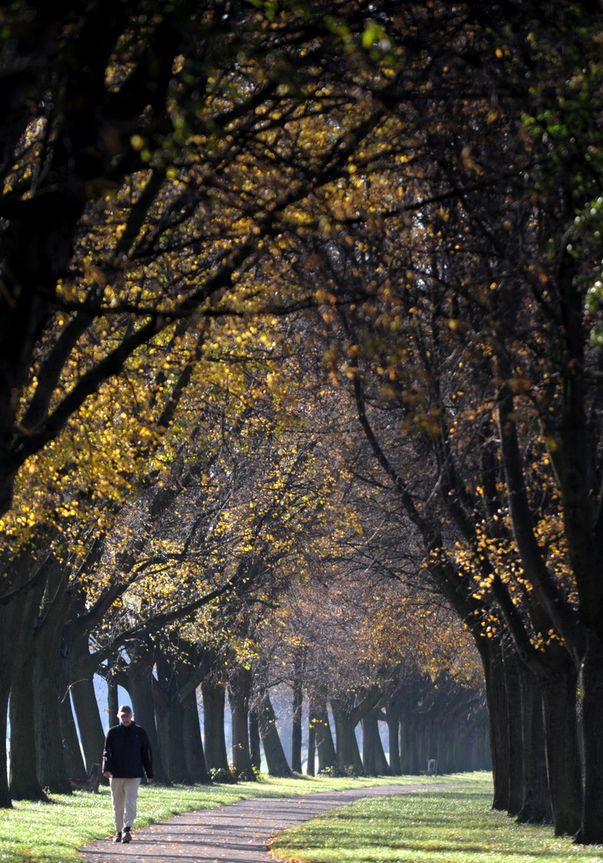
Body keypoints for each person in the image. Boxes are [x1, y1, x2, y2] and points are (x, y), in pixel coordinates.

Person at [102, 704, 153, 843]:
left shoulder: (140, 732)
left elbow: (146, 754)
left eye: (127, 715)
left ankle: (127, 830)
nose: (125, 718)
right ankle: (118, 831)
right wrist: (106, 769)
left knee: (130, 802)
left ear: (132, 716)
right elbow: (107, 752)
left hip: (134, 773)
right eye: (123, 716)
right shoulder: (112, 733)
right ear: (119, 716)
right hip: (116, 774)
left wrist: (149, 773)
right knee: (117, 804)